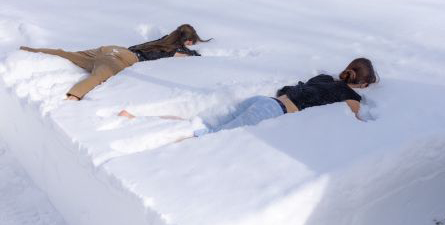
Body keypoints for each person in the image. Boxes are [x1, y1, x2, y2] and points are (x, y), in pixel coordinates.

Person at [118, 57, 378, 138]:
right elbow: (355, 122)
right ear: (363, 83)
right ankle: (154, 140)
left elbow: (286, 90)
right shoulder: (349, 96)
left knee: (202, 124)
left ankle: (137, 117)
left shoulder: (323, 79)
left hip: (263, 102)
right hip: (272, 113)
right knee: (206, 137)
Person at [20, 24, 210, 100]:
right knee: (100, 75)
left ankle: (29, 51)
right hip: (121, 57)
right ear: (186, 41)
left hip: (112, 49)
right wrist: (193, 54)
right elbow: (190, 58)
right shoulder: (174, 50)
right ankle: (73, 96)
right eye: (191, 42)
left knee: (68, 54)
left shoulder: (163, 40)